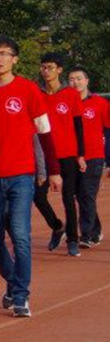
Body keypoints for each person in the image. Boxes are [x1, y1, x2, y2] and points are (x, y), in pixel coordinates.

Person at [0, 36, 61, 317]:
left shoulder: (28, 90)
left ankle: (20, 296)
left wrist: (53, 171)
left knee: (20, 235)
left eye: (4, 53)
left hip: (21, 175)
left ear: (15, 59)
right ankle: (13, 280)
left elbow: (45, 133)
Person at [38, 53, 85, 257]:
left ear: (59, 70)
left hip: (67, 154)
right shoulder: (37, 94)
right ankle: (57, 226)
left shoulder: (70, 94)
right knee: (38, 196)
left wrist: (81, 154)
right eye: (43, 67)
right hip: (45, 155)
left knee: (68, 198)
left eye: (50, 67)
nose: (46, 71)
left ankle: (73, 239)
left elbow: (78, 125)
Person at [69, 66, 108, 247]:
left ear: (86, 81)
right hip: (72, 157)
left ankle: (86, 235)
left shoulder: (100, 103)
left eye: (79, 78)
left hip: (94, 157)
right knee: (81, 196)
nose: (75, 82)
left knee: (87, 194)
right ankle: (95, 230)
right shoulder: (67, 104)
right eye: (71, 79)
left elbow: (108, 131)